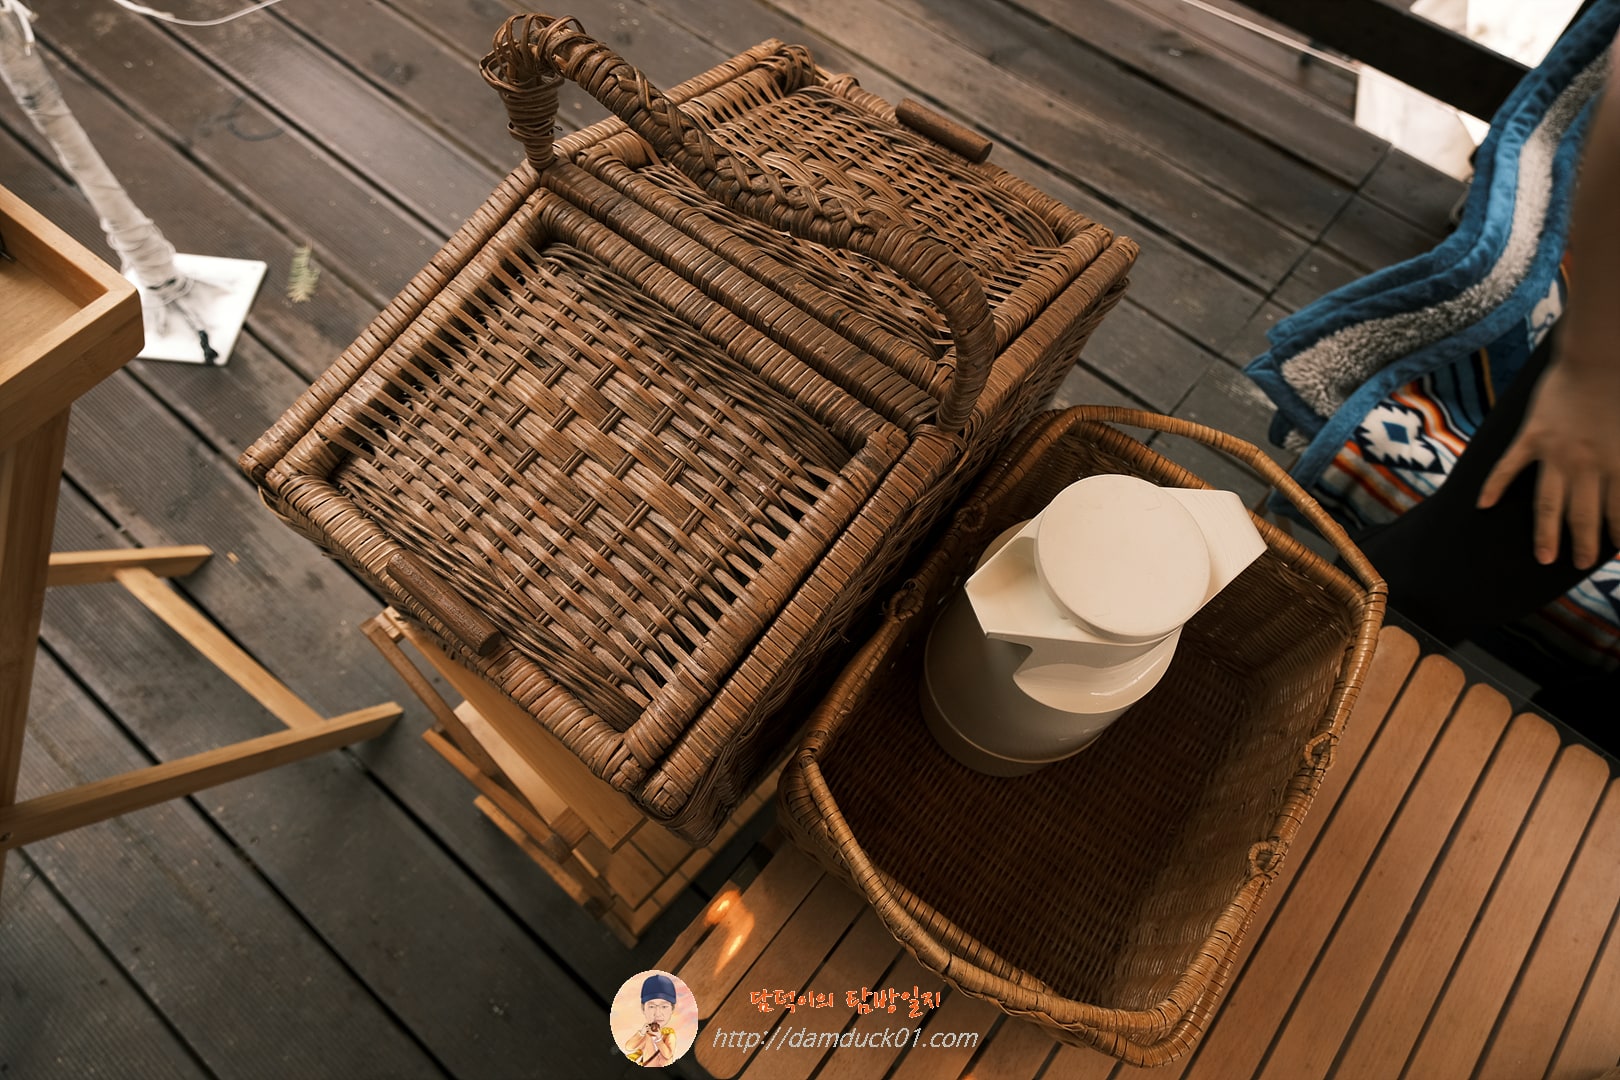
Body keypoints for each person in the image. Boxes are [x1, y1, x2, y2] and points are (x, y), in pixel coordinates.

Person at [624, 973, 679, 1067]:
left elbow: (667, 1055)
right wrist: (641, 1033)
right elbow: (629, 1047)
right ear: (643, 1009)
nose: (657, 1013)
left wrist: (659, 1038)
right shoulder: (647, 1034)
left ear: (672, 1009)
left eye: (664, 1006)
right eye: (652, 1006)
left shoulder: (669, 1035)